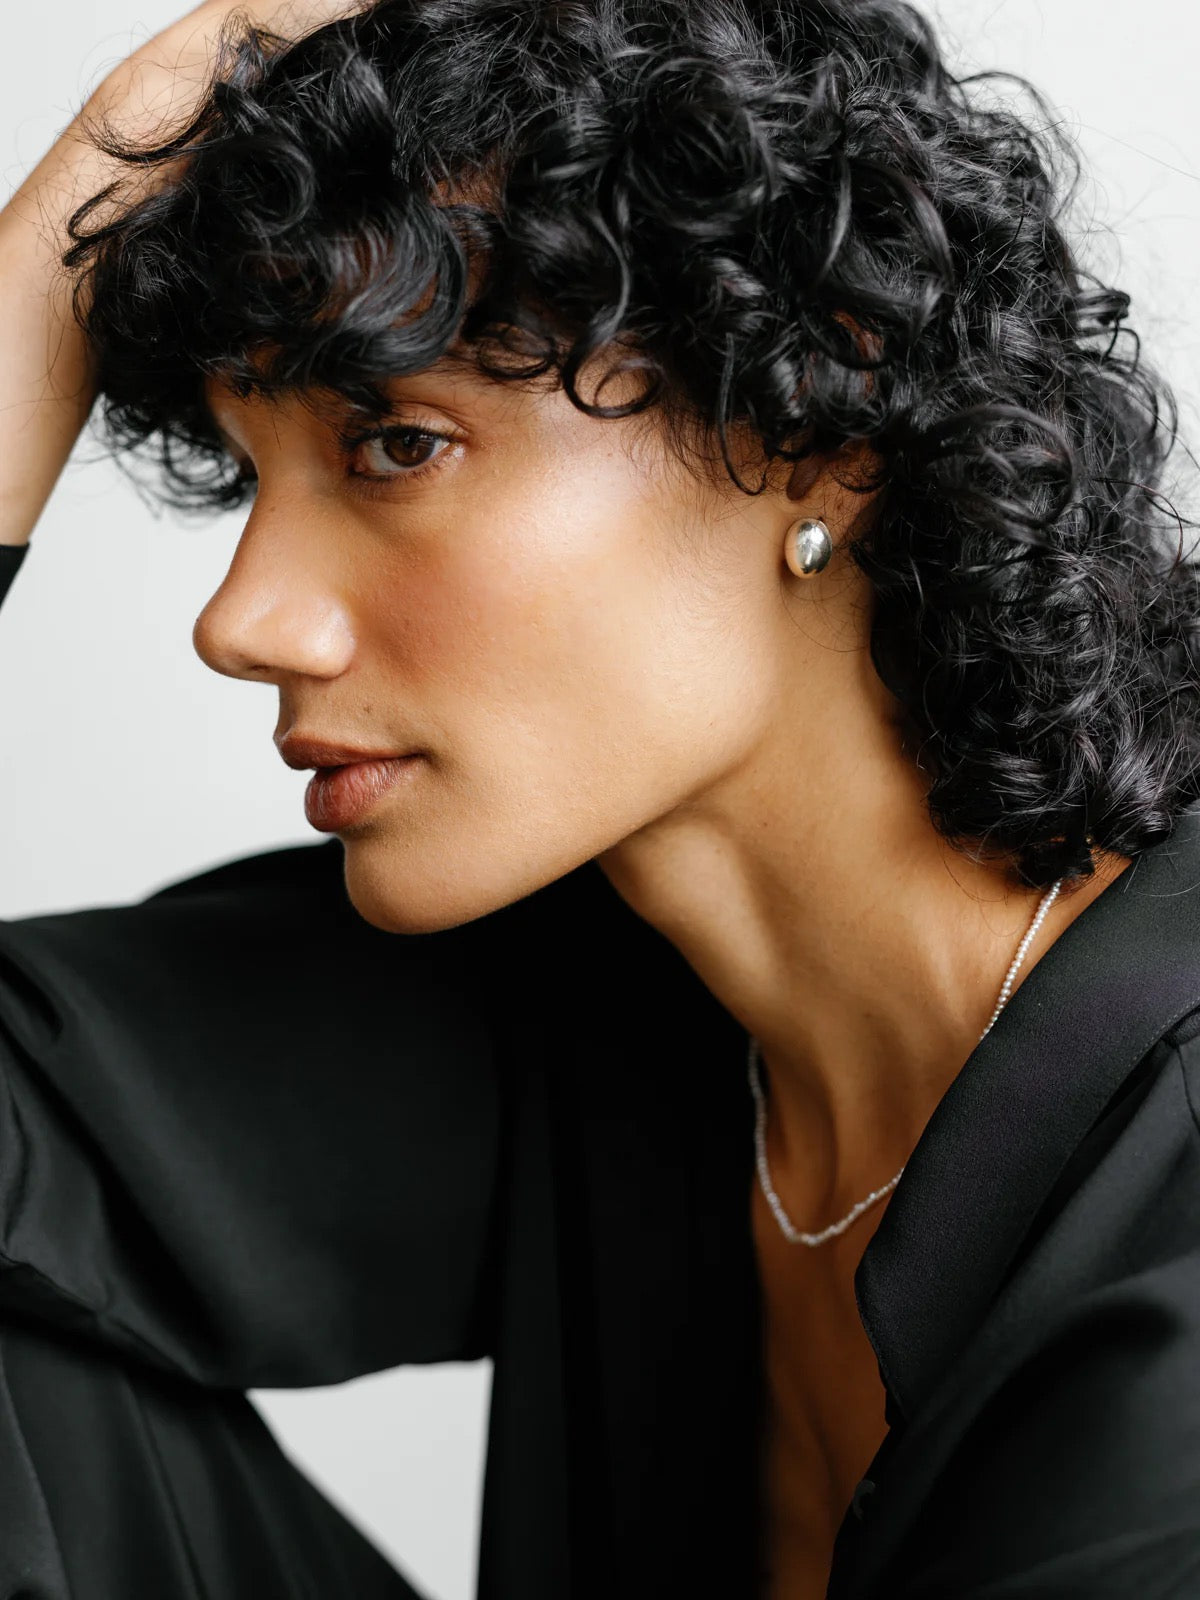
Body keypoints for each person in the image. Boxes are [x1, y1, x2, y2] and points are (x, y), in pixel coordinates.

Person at [2, 0, 1200, 1596]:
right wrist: (111, 154)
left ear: (813, 422)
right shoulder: (608, 989)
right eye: (252, 477)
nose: (242, 621)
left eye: (397, 444)